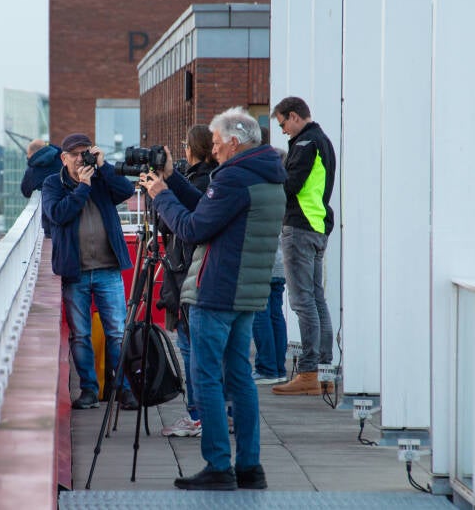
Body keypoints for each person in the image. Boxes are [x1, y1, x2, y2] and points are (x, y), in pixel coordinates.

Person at [139, 107, 286, 491]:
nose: (214, 150)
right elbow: (210, 208)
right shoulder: (266, 174)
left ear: (234, 142)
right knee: (239, 378)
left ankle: (219, 465)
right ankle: (250, 467)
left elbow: (192, 227)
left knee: (205, 378)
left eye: (218, 144)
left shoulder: (235, 178)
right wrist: (171, 180)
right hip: (245, 293)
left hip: (217, 291)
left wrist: (159, 196)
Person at [42, 132, 138, 410]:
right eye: (74, 154)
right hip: (76, 272)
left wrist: (103, 167)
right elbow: (58, 214)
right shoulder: (53, 184)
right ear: (64, 158)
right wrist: (82, 187)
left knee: (117, 332)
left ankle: (123, 388)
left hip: (108, 268)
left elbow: (126, 191)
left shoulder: (101, 178)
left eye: (85, 153)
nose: (80, 159)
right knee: (81, 334)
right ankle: (88, 390)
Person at [269, 97, 336, 396]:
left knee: (302, 301)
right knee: (316, 299)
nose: (283, 131)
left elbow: (289, 185)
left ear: (294, 117)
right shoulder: (324, 141)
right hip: (318, 226)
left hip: (300, 227)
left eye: (283, 123)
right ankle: (324, 371)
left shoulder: (305, 143)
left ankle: (309, 371)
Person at [157, 124, 218, 437]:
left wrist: (162, 196)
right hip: (191, 270)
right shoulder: (214, 178)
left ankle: (200, 416)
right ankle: (215, 414)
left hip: (189, 271)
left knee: (192, 348)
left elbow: (184, 224)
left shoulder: (210, 181)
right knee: (204, 349)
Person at [251, 140, 289, 385]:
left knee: (260, 314)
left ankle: (266, 367)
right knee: (276, 313)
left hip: (262, 260)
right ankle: (278, 367)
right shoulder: (285, 188)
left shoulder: (262, 188)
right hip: (279, 261)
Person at [21, 139, 62, 238]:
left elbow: (25, 191)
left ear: (32, 153)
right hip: (69, 214)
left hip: (50, 221)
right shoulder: (62, 159)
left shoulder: (32, 170)